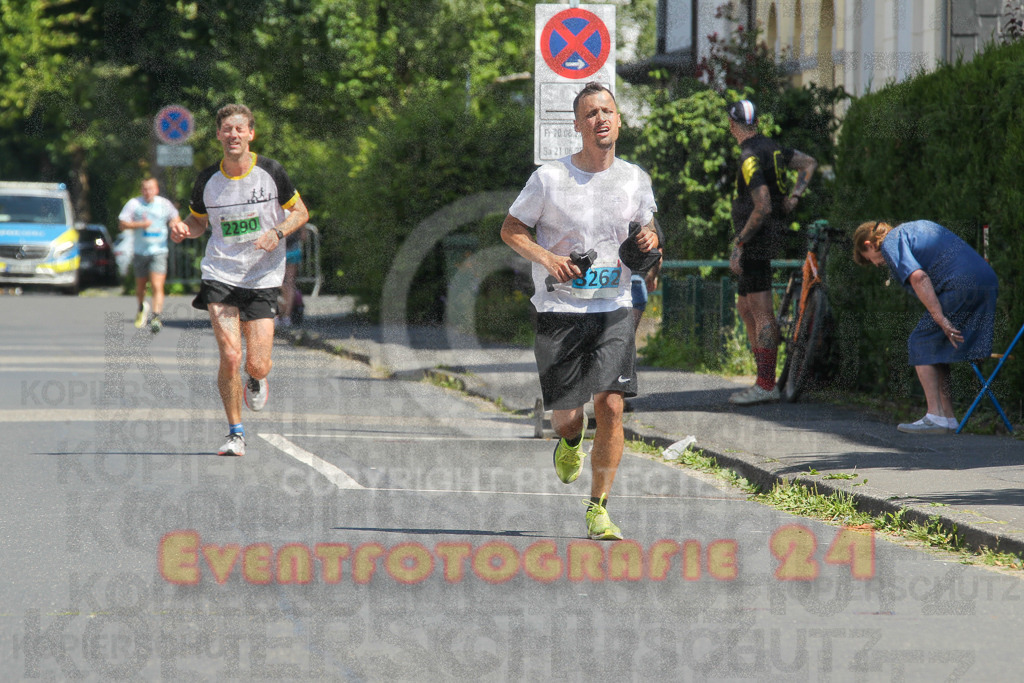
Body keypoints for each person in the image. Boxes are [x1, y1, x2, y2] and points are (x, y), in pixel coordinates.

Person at [501, 82, 659, 540]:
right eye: (590, 113)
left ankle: (599, 508)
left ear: (619, 120)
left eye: (607, 111)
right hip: (558, 307)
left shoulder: (635, 179)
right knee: (569, 414)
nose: (601, 119)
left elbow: (646, 236)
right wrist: (548, 259)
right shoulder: (550, 179)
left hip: (613, 306)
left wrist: (650, 245)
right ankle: (571, 438)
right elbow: (511, 230)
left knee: (611, 405)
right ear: (577, 125)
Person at [170, 104, 309, 456]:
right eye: (226, 129)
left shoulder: (271, 172)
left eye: (239, 129)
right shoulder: (207, 180)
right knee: (230, 355)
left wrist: (276, 233)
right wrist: (187, 229)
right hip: (221, 272)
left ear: (250, 134)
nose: (233, 135)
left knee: (256, 363)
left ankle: (257, 378)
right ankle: (235, 431)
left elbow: (300, 213)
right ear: (218, 135)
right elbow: (199, 221)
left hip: (263, 275)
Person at [853, 219, 998, 434]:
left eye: (870, 259)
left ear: (870, 244)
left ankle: (935, 416)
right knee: (935, 346)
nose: (876, 264)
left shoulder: (890, 242)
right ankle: (948, 418)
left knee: (920, 341)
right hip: (985, 279)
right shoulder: (913, 230)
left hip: (960, 283)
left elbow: (918, 277)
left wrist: (940, 317)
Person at [726, 99, 819, 405]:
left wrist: (740, 243)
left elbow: (762, 205)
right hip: (768, 235)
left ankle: (766, 384)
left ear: (732, 124)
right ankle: (762, 378)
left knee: (761, 309)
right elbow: (808, 163)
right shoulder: (773, 148)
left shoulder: (749, 155)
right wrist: (794, 196)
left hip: (756, 238)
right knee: (745, 306)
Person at [118, 177, 182, 333]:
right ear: (142, 190)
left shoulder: (164, 204)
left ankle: (156, 317)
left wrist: (175, 224)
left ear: (156, 190)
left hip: (159, 251)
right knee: (140, 287)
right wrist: (140, 224)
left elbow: (175, 218)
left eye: (151, 189)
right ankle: (141, 307)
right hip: (140, 251)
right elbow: (122, 224)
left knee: (156, 285)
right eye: (145, 189)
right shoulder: (135, 204)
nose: (148, 192)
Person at [277, 224, 307, 328]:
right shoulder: (295, 208)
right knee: (289, 284)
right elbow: (304, 236)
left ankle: (279, 313)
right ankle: (286, 316)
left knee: (276, 283)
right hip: (293, 249)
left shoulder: (273, 208)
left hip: (276, 251)